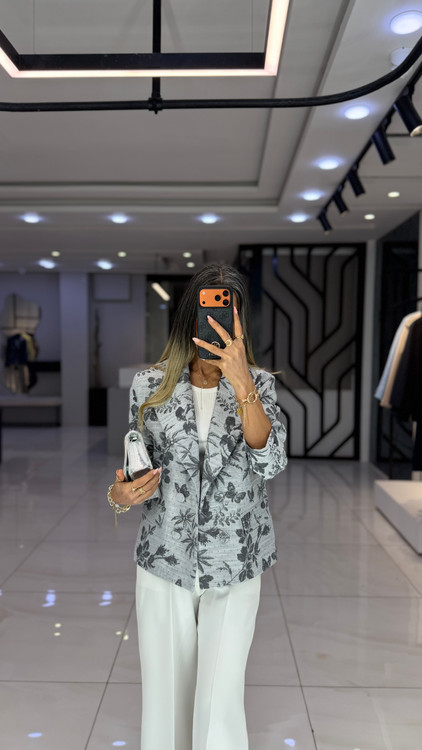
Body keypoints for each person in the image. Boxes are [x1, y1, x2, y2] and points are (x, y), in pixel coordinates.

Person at [109, 263, 288, 750]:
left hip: (236, 559)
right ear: (190, 315)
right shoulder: (149, 386)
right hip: (165, 557)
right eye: (206, 311)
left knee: (220, 697)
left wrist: (242, 384)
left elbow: (271, 463)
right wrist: (121, 495)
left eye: (226, 312)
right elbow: (135, 467)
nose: (216, 322)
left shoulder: (260, 385)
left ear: (239, 320)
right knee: (166, 696)